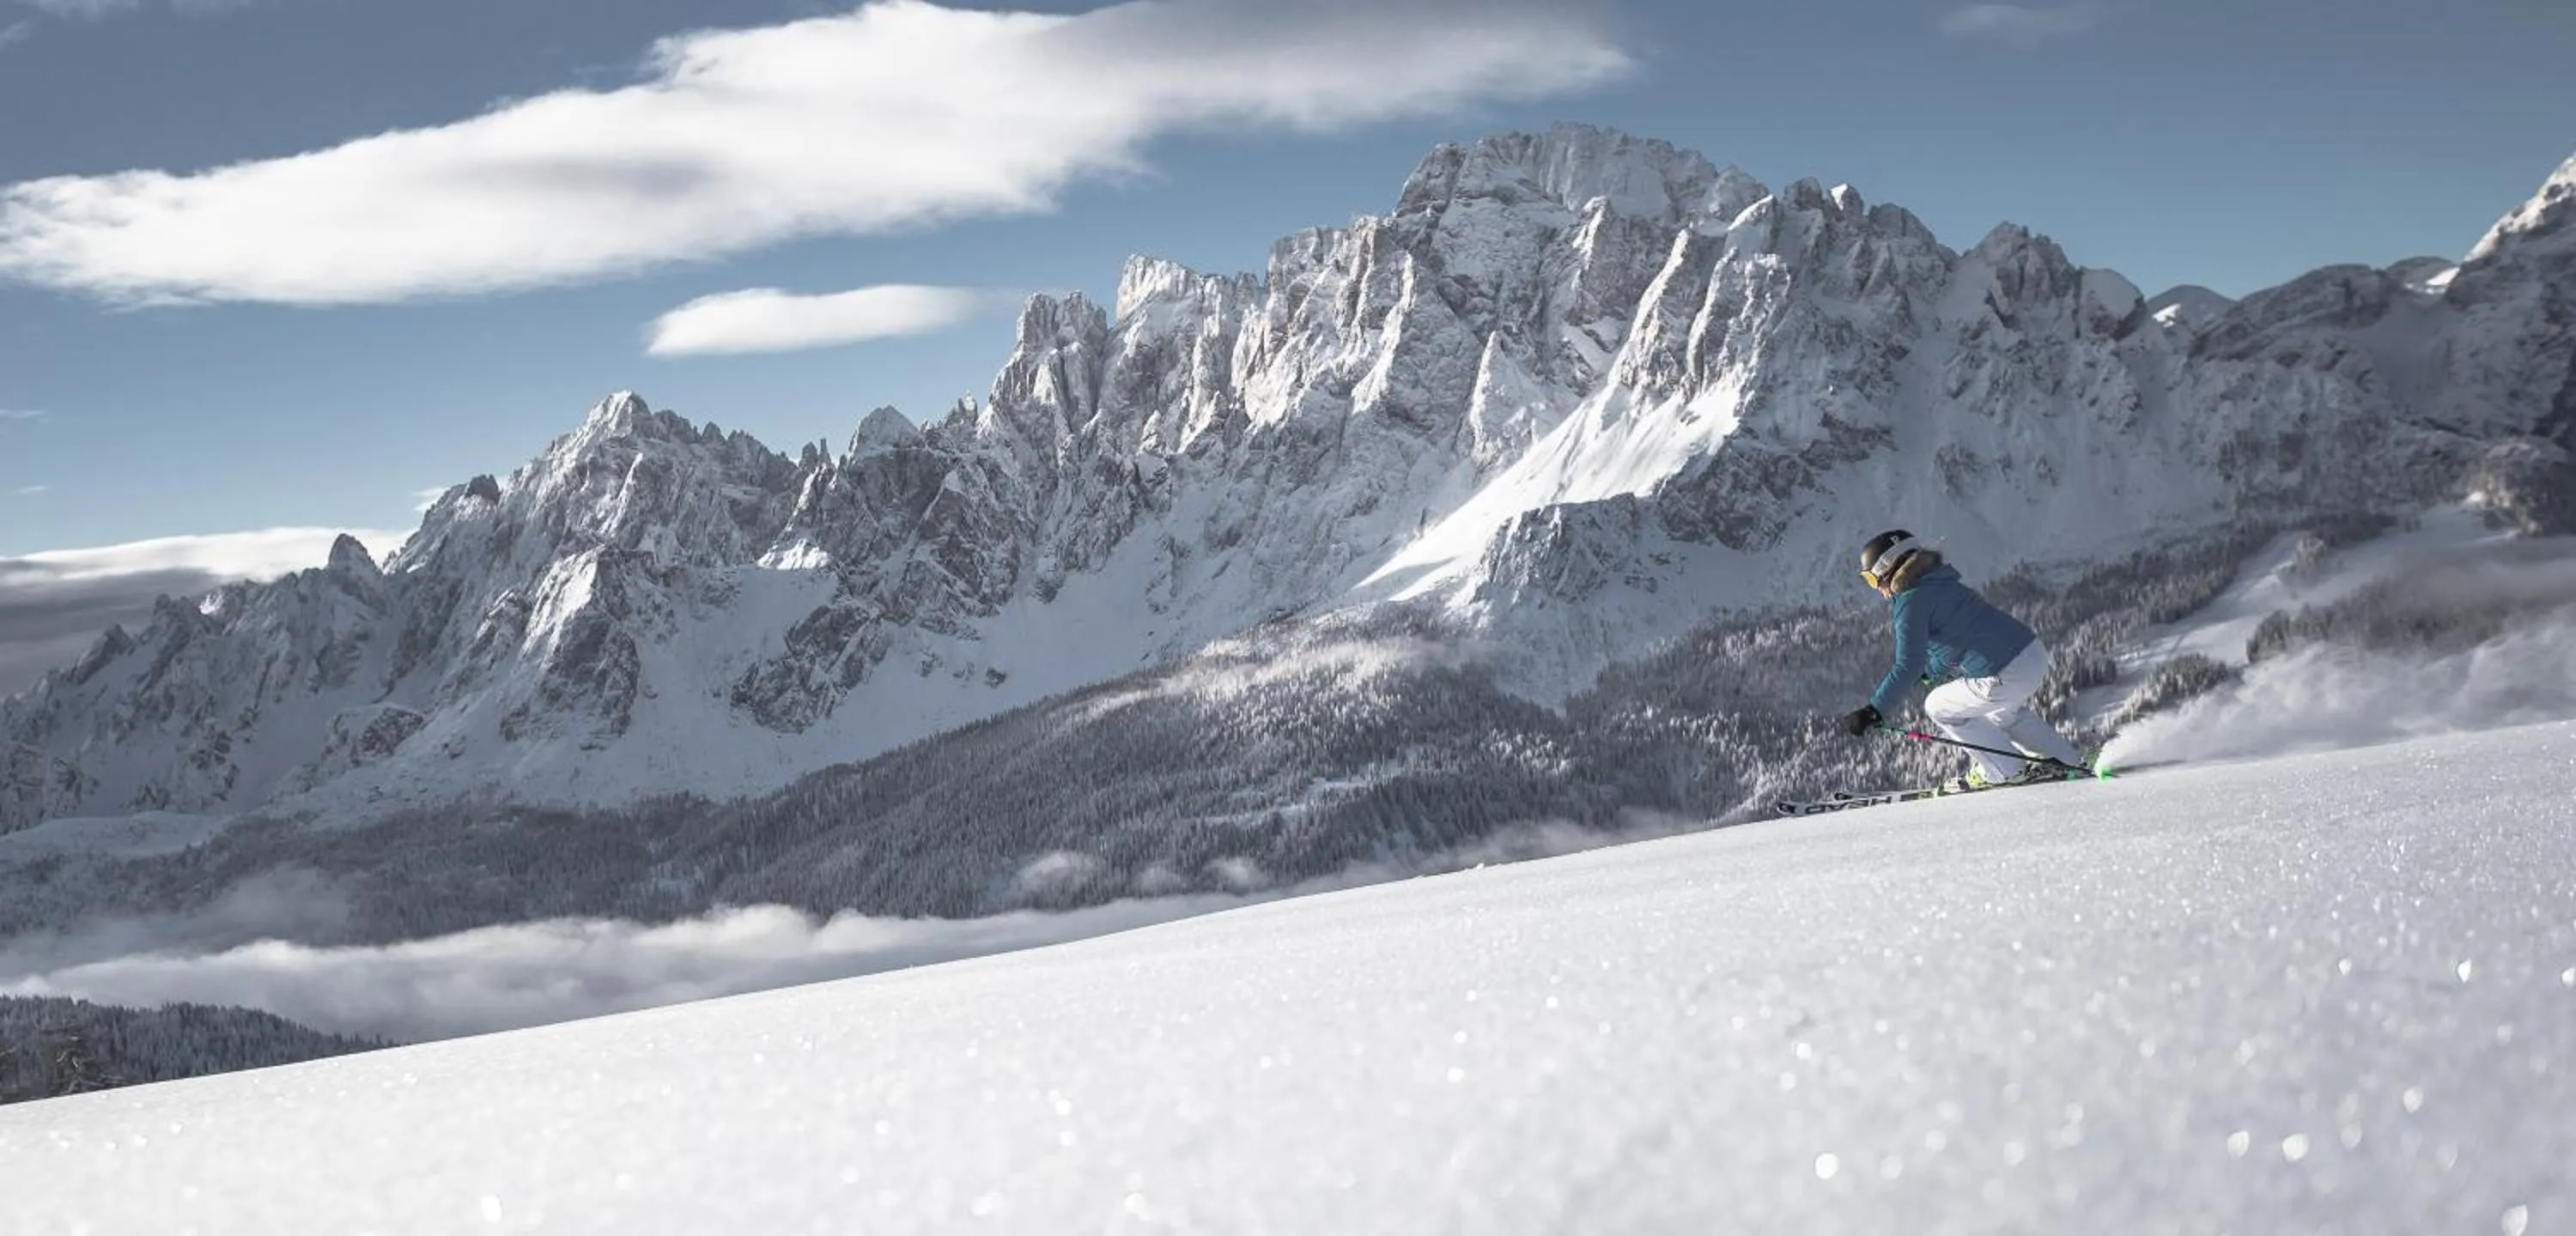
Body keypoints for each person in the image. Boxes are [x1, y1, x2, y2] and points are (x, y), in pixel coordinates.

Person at [1836, 529, 2087, 792]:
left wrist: (1873, 710)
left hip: (2002, 673)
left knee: (1937, 706)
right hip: (2032, 654)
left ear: (1886, 568)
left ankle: (2004, 770)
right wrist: (1929, 671)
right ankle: (2069, 761)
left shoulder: (1909, 603)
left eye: (1871, 579)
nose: (1876, 588)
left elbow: (1907, 664)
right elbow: (1953, 644)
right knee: (2004, 713)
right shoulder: (1940, 582)